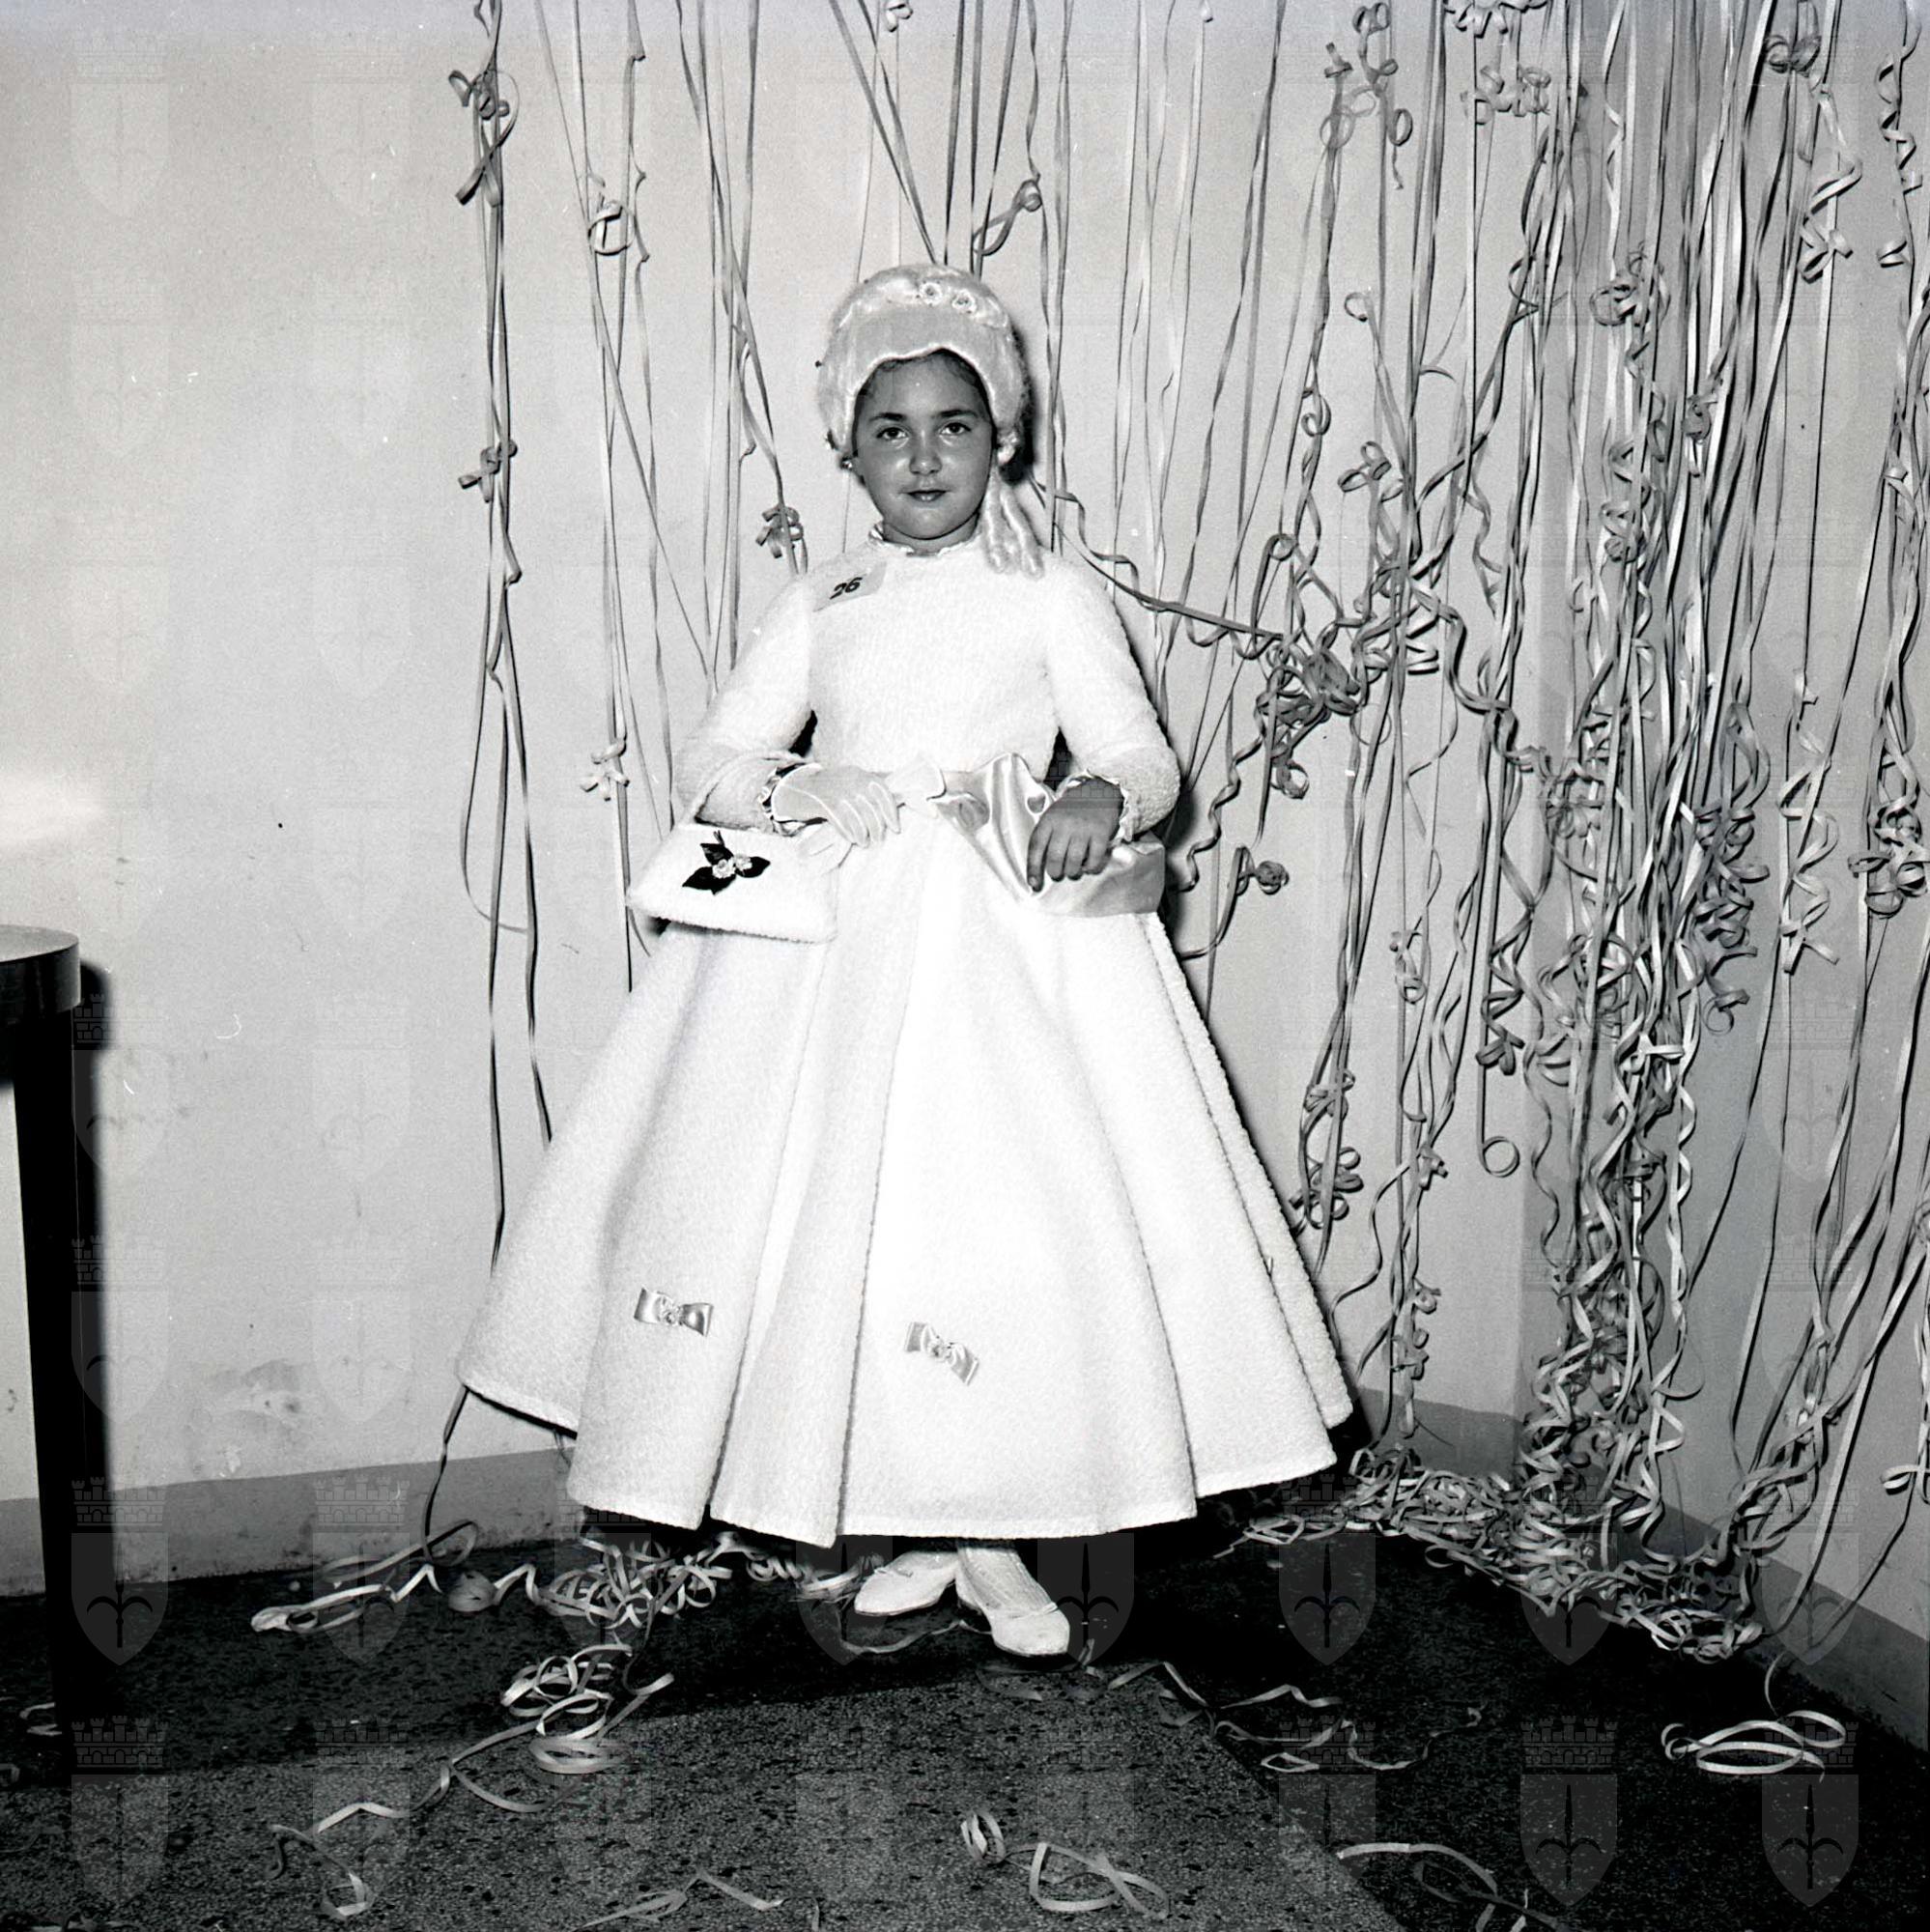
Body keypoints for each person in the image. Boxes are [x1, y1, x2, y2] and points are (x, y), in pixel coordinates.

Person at [456, 262, 1352, 1658]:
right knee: (843, 1227)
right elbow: (715, 760)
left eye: (953, 425)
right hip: (838, 937)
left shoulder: (1049, 591)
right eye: (890, 430)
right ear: (847, 451)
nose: (923, 456)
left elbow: (1140, 755)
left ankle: (993, 1529)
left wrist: (1094, 794)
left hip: (1005, 935)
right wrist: (796, 785)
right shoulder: (824, 600)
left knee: (994, 1217)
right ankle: (917, 1517)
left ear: (1003, 439)